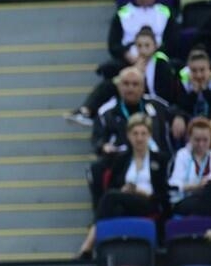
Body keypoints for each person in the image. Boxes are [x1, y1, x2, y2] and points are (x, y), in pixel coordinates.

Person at [77, 114, 170, 259]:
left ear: (150, 135)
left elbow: (164, 193)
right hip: (125, 201)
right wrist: (124, 190)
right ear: (128, 135)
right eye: (135, 134)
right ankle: (115, 253)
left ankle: (88, 245)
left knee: (110, 198)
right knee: (113, 203)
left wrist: (141, 192)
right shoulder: (121, 160)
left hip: (149, 201)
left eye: (143, 133)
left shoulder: (161, 160)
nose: (139, 138)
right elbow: (113, 186)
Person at [67, 26, 177, 126]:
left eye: (147, 45)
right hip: (132, 101)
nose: (143, 50)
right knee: (108, 86)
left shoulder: (161, 64)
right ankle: (86, 111)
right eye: (139, 46)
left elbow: (165, 93)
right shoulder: (131, 62)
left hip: (156, 103)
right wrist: (134, 70)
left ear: (155, 46)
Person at [106, 0, 178, 71]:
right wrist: (128, 56)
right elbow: (113, 44)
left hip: (159, 61)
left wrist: (152, 56)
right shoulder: (123, 13)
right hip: (129, 61)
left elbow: (172, 41)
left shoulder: (165, 12)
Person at [169, 117, 211, 215]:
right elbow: (174, 185)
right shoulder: (182, 155)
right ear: (189, 138)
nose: (201, 144)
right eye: (197, 140)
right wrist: (197, 186)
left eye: (205, 140)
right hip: (184, 200)